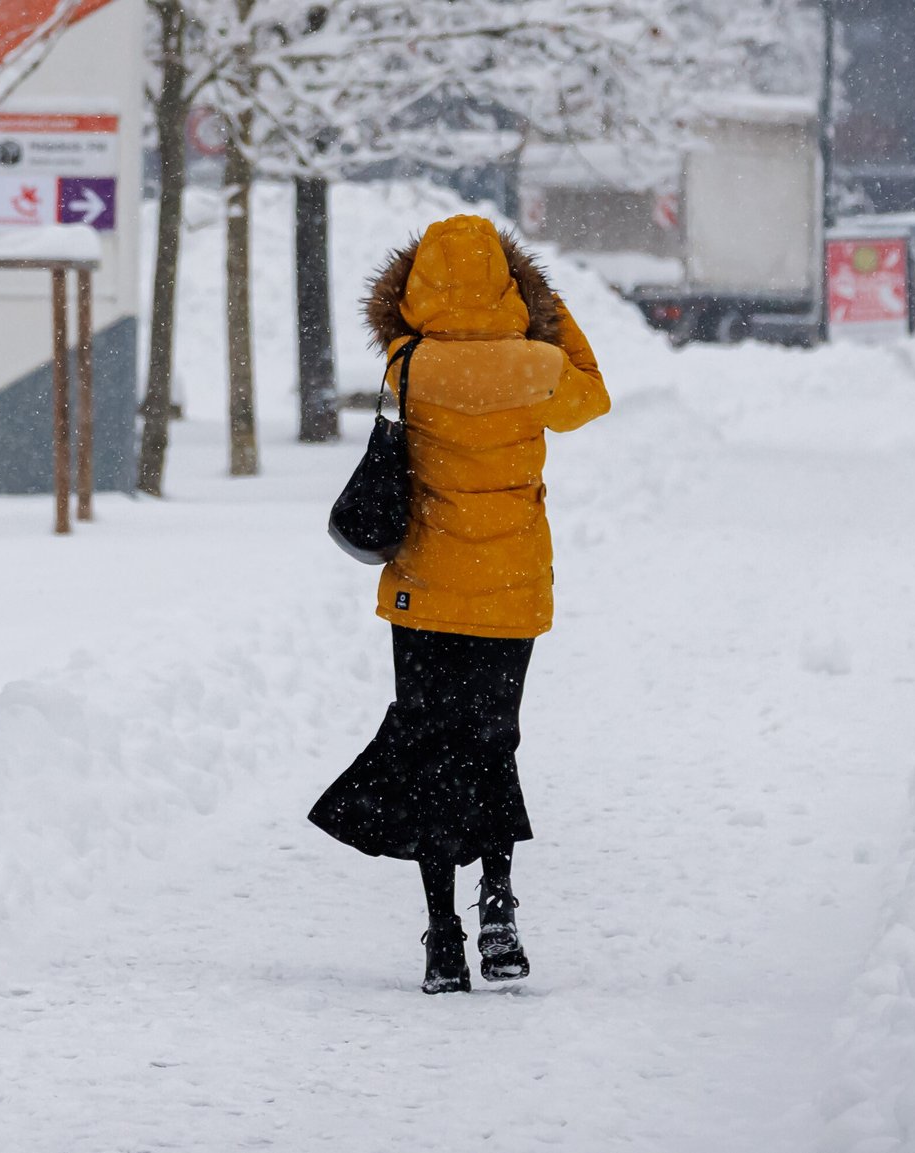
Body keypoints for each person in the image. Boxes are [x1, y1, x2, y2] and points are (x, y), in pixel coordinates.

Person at [310, 216, 609, 994]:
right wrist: (547, 304)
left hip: (426, 590)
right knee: (490, 742)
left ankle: (444, 937)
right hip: (509, 592)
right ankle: (499, 908)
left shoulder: (407, 363)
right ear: (509, 280)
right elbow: (593, 397)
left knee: (433, 751)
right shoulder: (539, 364)